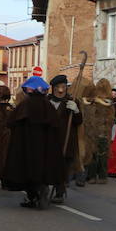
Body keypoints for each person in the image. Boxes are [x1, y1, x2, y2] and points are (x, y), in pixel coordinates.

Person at [4, 75, 67, 208]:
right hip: (45, 147)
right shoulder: (48, 105)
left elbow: (11, 122)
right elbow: (56, 125)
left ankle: (33, 196)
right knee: (42, 170)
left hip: (27, 146)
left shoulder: (25, 104)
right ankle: (38, 193)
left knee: (27, 171)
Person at [45, 75, 82, 203]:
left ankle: (59, 193)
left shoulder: (72, 101)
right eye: (57, 88)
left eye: (63, 87)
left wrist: (76, 111)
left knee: (62, 168)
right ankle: (43, 190)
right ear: (53, 88)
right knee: (46, 166)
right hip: (48, 140)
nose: (60, 91)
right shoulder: (46, 100)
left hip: (66, 141)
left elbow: (79, 121)